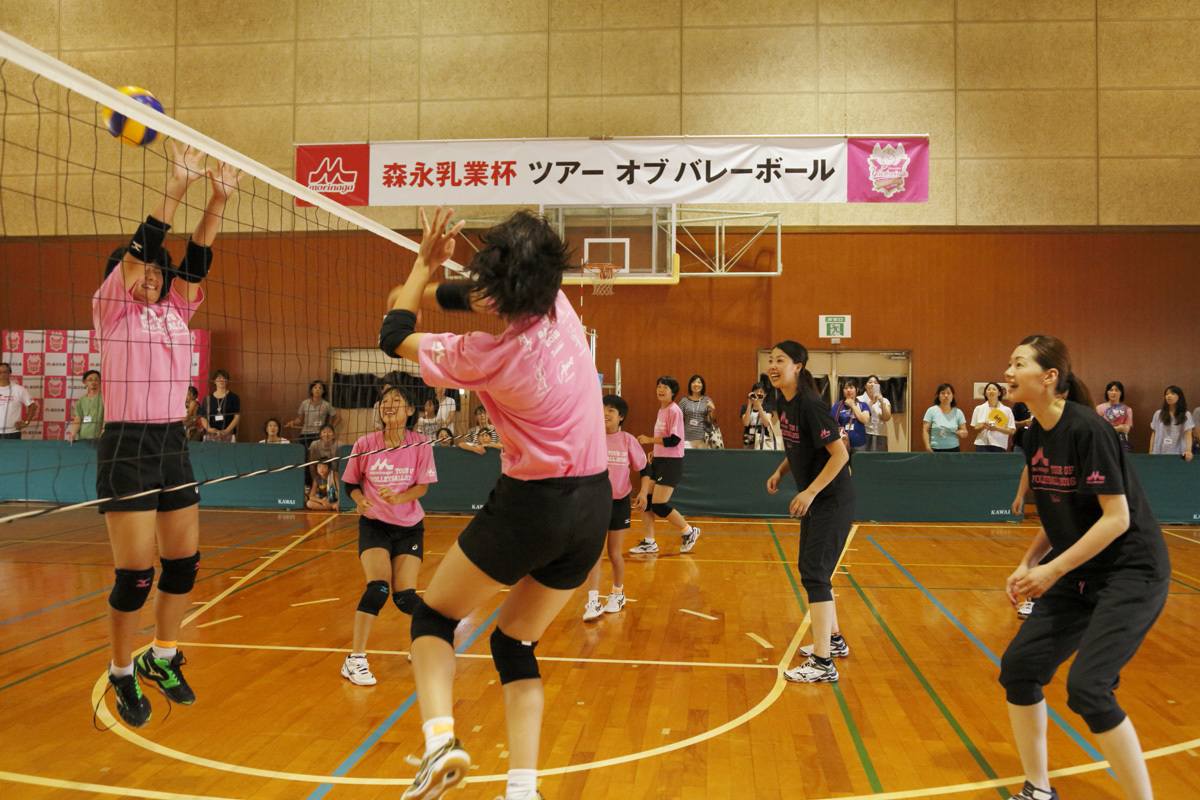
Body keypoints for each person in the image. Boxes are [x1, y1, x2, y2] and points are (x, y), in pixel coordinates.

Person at [378, 207, 609, 800]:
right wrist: (435, 282)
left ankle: (438, 745)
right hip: (593, 505)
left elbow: (391, 333)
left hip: (533, 505)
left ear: (496, 294)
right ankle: (523, 789)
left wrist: (420, 265)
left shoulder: (488, 355)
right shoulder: (559, 307)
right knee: (513, 642)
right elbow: (466, 294)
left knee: (433, 618)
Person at [91, 141, 240, 727]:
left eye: (160, 271)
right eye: (145, 268)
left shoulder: (177, 310)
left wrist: (218, 199)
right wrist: (176, 186)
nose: (154, 274)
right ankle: (122, 671)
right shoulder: (112, 310)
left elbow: (198, 257)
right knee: (135, 577)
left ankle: (163, 655)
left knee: (184, 564)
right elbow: (145, 244)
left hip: (172, 444)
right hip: (126, 446)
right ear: (125, 273)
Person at [999, 335, 1170, 800]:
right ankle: (1038, 789)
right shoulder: (1033, 433)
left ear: (1050, 377)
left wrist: (1050, 572)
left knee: (1089, 687)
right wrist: (1029, 560)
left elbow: (1117, 519)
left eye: (1018, 363)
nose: (1008, 372)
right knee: (1019, 668)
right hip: (1080, 573)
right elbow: (1062, 510)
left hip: (1130, 572)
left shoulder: (1088, 429)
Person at [765, 341, 855, 684]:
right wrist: (781, 472)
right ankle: (832, 640)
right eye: (770, 360)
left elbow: (840, 456)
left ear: (798, 366)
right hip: (820, 500)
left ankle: (822, 663)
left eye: (781, 361)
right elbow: (799, 445)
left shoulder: (810, 404)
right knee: (813, 570)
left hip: (832, 499)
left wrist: (810, 491)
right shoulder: (783, 401)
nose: (773, 366)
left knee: (815, 574)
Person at [339, 386, 436, 685]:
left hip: (409, 527)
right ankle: (354, 660)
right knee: (378, 588)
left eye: (397, 401)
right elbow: (350, 484)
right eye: (385, 401)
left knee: (405, 597)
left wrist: (399, 498)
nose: (389, 405)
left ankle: (428, 641)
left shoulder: (420, 443)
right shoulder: (365, 443)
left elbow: (422, 488)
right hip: (375, 525)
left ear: (410, 410)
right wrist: (359, 500)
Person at [582, 395, 648, 622]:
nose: (606, 414)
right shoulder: (591, 439)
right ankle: (592, 600)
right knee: (594, 553)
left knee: (614, 553)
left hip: (619, 503)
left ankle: (617, 593)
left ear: (621, 416)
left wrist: (643, 492)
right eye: (602, 409)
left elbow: (645, 470)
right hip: (595, 502)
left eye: (611, 410)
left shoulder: (628, 440)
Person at [629, 376, 701, 555]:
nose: (661, 390)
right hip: (659, 460)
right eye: (659, 386)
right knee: (646, 503)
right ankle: (649, 542)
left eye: (665, 387)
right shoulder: (661, 410)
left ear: (673, 392)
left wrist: (649, 440)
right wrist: (656, 450)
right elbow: (664, 438)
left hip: (671, 463)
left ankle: (689, 531)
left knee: (659, 505)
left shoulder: (674, 411)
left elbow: (674, 440)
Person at [287, 380, 339, 451]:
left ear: (323, 391)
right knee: (304, 455)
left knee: (317, 455)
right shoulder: (305, 403)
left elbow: (338, 418)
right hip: (305, 434)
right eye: (315, 387)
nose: (317, 390)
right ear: (311, 390)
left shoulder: (326, 405)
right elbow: (300, 418)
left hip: (319, 434)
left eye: (320, 388)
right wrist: (292, 423)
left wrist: (329, 429)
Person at [1148, 385, 1194, 460]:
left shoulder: (1186, 415)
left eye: (1172, 394)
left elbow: (1188, 434)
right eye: (1167, 394)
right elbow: (1154, 433)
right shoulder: (1158, 414)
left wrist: (1188, 451)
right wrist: (1150, 451)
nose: (1169, 396)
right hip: (1159, 452)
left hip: (1178, 453)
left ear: (1179, 397)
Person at [971, 381, 1016, 453]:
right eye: (988, 389)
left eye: (994, 389)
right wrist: (983, 427)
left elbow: (1012, 430)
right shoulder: (979, 408)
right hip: (981, 444)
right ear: (985, 393)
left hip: (999, 444)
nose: (991, 391)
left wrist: (997, 428)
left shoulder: (1006, 410)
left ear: (999, 393)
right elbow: (975, 429)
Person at [923, 383, 968, 452]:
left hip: (954, 449)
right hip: (935, 449)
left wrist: (963, 433)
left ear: (953, 396)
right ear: (938, 396)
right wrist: (927, 447)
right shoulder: (931, 411)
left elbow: (965, 432)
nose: (946, 396)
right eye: (943, 393)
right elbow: (925, 431)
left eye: (948, 393)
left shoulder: (958, 412)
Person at [198, 369, 240, 442]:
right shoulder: (207, 399)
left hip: (228, 434)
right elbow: (203, 417)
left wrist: (227, 431)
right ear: (214, 381)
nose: (222, 381)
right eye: (219, 378)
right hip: (210, 435)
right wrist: (209, 429)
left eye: (224, 378)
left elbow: (237, 416)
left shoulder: (234, 397)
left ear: (227, 381)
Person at [0, 362, 39, 439]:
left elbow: (32, 406)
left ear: (9, 373)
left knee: (12, 451)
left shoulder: (19, 389)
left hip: (12, 433)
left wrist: (26, 422)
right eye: (0, 372)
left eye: (5, 372)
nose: (3, 374)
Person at [831, 378, 870, 453]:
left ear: (857, 389)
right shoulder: (837, 405)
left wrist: (853, 406)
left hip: (859, 444)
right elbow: (832, 423)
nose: (848, 390)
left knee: (858, 465)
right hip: (842, 443)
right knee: (843, 465)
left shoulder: (863, 405)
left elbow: (865, 420)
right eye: (846, 388)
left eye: (851, 388)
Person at [678, 374, 716, 449]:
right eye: (694, 382)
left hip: (703, 439)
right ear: (690, 385)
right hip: (687, 438)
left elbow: (711, 421)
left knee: (702, 460)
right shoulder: (684, 401)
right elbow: (678, 421)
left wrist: (713, 409)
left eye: (699, 382)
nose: (696, 385)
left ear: (702, 385)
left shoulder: (707, 400)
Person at [1096, 381, 1134, 453]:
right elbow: (1099, 428)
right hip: (1104, 441)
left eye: (1117, 390)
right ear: (1107, 392)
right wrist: (1119, 428)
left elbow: (1126, 430)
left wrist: (1108, 428)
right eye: (1111, 390)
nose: (1113, 393)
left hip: (1121, 442)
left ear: (1121, 393)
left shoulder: (1128, 409)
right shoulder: (1100, 408)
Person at [67, 369, 104, 443]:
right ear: (85, 382)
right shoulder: (81, 400)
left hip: (100, 436)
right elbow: (78, 418)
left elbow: (108, 417)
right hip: (83, 436)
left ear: (100, 381)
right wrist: (73, 434)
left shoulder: (105, 398)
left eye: (96, 379)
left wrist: (103, 432)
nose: (93, 382)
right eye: (90, 380)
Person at [740, 382, 779, 450]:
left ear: (765, 395)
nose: (758, 394)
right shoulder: (745, 407)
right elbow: (746, 423)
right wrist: (749, 404)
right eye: (756, 391)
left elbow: (766, 423)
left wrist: (758, 405)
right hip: (749, 439)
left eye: (761, 392)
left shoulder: (768, 408)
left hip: (763, 440)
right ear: (752, 393)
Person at [858, 375, 892, 452]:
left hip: (880, 434)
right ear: (865, 386)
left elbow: (886, 418)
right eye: (870, 382)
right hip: (864, 433)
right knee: (864, 459)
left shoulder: (885, 400)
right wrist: (872, 401)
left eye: (875, 382)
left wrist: (881, 402)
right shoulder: (859, 400)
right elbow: (861, 417)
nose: (873, 384)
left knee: (880, 461)